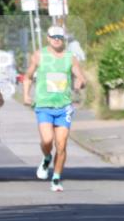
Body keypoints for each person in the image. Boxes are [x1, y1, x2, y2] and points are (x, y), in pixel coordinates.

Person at [23, 25, 87, 192]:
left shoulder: (70, 57)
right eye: (54, 37)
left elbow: (80, 75)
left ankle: (56, 178)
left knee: (62, 144)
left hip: (64, 106)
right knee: (47, 140)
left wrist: (80, 82)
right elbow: (28, 77)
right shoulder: (39, 55)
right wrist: (25, 95)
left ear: (63, 38)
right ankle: (46, 158)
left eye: (60, 37)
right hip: (44, 105)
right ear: (48, 38)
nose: (57, 39)